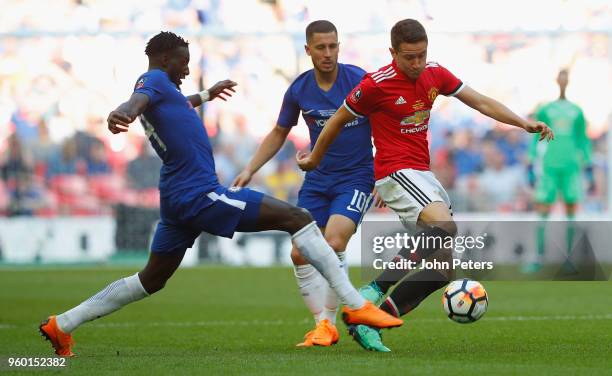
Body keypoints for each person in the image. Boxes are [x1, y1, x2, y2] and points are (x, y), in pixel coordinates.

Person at [38, 31, 402, 357]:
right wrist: (122, 112)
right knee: (299, 219)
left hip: (176, 199)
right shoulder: (153, 80)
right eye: (183, 63)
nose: (186, 70)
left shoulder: (169, 91)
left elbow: (174, 104)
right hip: (198, 194)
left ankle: (63, 324)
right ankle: (355, 305)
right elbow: (138, 101)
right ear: (166, 60)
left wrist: (207, 94)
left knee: (151, 278)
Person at [297, 19, 553, 352]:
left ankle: (368, 320)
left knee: (443, 269)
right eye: (409, 57)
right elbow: (338, 119)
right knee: (445, 227)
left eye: (421, 55)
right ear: (393, 53)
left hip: (422, 174)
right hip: (395, 171)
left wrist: (521, 122)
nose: (417, 64)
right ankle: (372, 291)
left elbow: (480, 101)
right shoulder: (375, 84)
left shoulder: (435, 74)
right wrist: (315, 158)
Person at [232, 20, 376, 347]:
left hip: (356, 177)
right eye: (321, 47)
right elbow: (279, 131)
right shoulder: (299, 89)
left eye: (333, 46)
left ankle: (329, 323)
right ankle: (322, 324)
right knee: (299, 253)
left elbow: (383, 125)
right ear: (308, 50)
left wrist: (382, 171)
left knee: (334, 241)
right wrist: (251, 167)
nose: (328, 54)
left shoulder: (360, 81)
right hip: (318, 180)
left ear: (339, 46)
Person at [524, 69, 593, 273]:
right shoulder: (546, 110)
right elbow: (535, 136)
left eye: (566, 77)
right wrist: (530, 161)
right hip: (550, 167)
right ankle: (538, 256)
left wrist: (588, 165)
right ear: (557, 80)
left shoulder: (577, 111)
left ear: (568, 81)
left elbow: (583, 140)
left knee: (571, 210)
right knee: (543, 209)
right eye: (560, 77)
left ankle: (569, 258)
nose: (563, 80)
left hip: (571, 167)